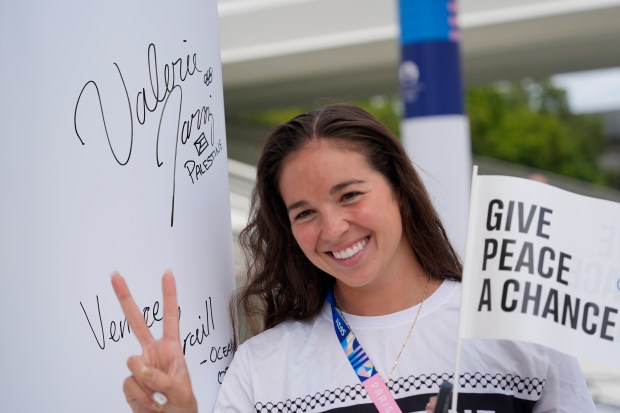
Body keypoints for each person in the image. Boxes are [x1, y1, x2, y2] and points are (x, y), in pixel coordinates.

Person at [112, 104, 596, 413]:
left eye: (349, 195)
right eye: (305, 212)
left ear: (400, 191)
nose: (333, 229)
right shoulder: (265, 366)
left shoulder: (512, 329)